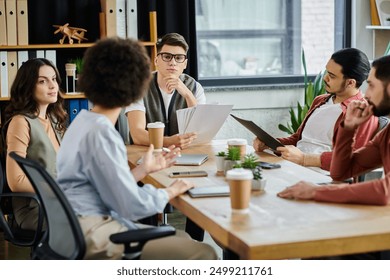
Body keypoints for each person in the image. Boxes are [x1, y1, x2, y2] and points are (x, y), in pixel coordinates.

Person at [56, 37, 217, 260]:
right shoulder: (103, 135)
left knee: (183, 238)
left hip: (71, 230)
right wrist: (170, 191)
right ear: (136, 86)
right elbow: (131, 205)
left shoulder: (83, 123)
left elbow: (106, 187)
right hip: (96, 235)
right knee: (204, 251)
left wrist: (142, 171)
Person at [278, 55, 390, 205]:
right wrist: (348, 128)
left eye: (371, 85)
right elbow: (341, 172)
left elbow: (385, 192)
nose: (367, 94)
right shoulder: (386, 134)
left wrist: (315, 191)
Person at [253, 48, 379, 171]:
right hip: (296, 166)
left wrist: (304, 159)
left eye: (332, 76)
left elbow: (352, 159)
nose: (325, 78)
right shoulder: (320, 101)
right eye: (326, 72)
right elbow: (298, 139)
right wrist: (271, 143)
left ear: (350, 83)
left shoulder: (363, 112)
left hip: (323, 175)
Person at [3, 58, 67, 230]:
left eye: (54, 79)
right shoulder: (21, 122)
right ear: (28, 86)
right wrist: (60, 189)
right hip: (35, 209)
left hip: (58, 202)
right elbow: (16, 181)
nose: (52, 86)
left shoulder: (54, 120)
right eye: (42, 81)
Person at [125, 32, 206, 149]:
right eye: (167, 57)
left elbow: (200, 132)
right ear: (156, 60)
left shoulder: (195, 87)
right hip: (147, 153)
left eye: (179, 58)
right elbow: (137, 135)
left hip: (185, 154)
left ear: (185, 64)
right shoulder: (139, 85)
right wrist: (168, 142)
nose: (173, 62)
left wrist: (187, 94)